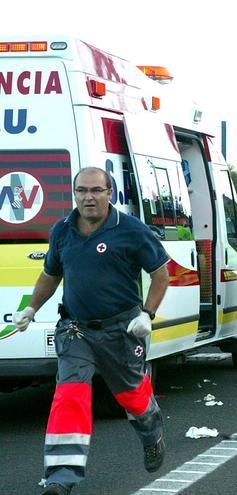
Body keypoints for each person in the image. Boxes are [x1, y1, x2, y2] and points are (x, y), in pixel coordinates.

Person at [12, 167, 169, 495]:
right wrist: (30, 308)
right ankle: (60, 478)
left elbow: (160, 275)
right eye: (82, 191)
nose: (89, 197)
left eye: (97, 190)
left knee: (132, 397)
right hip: (76, 330)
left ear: (110, 193)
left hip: (122, 330)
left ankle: (152, 434)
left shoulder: (131, 230)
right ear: (74, 194)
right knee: (70, 396)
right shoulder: (63, 230)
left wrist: (147, 314)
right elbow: (50, 275)